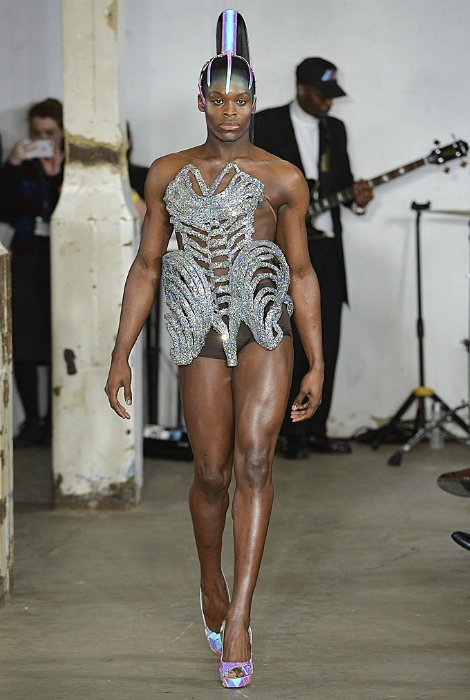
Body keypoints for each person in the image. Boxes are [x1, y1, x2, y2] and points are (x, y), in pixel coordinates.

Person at [105, 10, 323, 689]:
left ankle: (240, 619)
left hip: (265, 328)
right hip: (195, 327)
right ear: (200, 100)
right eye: (219, 99)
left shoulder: (283, 178)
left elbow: (301, 272)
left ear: (255, 103)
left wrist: (317, 360)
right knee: (210, 473)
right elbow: (147, 267)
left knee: (255, 460)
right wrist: (120, 354)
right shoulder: (167, 173)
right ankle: (210, 581)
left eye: (241, 99)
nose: (230, 111)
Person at [254, 57, 373, 458]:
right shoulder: (266, 124)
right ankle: (289, 432)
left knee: (327, 337)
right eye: (323, 96)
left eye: (332, 97)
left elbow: (344, 186)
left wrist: (358, 200)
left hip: (326, 248)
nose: (328, 104)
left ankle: (317, 428)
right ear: (301, 89)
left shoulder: (335, 130)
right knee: (284, 336)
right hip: (279, 248)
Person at [0, 98, 64, 447]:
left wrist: (56, 174)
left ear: (62, 131)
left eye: (50, 132)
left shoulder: (74, 164)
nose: (44, 139)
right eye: (37, 133)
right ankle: (32, 422)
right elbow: (6, 210)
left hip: (65, 254)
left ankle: (56, 421)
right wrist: (13, 166)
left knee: (62, 335)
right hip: (27, 253)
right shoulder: (21, 165)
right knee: (22, 335)